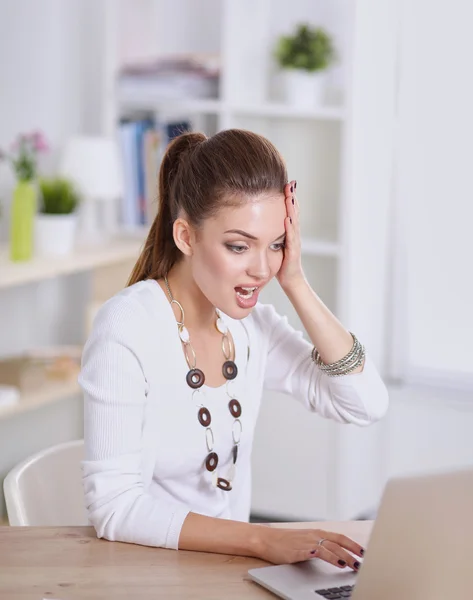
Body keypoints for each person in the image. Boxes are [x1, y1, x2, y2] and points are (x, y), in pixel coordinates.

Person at [79, 128, 388, 570]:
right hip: (144, 573)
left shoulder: (250, 327)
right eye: (239, 246)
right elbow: (115, 507)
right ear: (186, 237)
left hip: (227, 573)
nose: (262, 269)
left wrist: (295, 280)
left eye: (276, 244)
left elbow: (365, 404)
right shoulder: (127, 326)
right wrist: (261, 541)